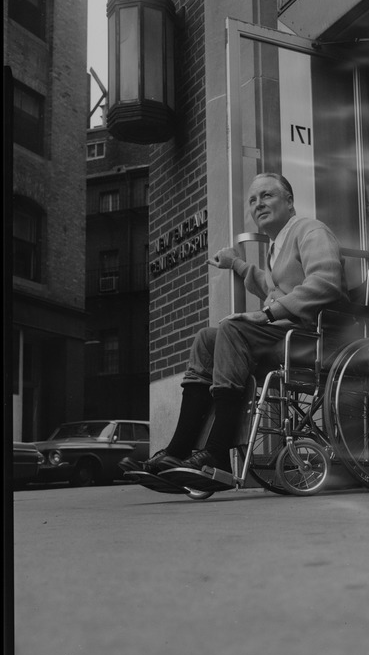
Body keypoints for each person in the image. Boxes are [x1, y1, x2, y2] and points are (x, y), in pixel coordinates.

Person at [120, 172, 349, 478]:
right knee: (206, 338)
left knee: (232, 329)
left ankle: (216, 455)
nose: (258, 205)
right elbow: (270, 286)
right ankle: (177, 451)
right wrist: (236, 263)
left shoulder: (311, 230)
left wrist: (266, 315)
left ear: (290, 202)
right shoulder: (277, 247)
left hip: (316, 338)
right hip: (289, 336)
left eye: (267, 196)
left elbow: (325, 282)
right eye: (253, 200)